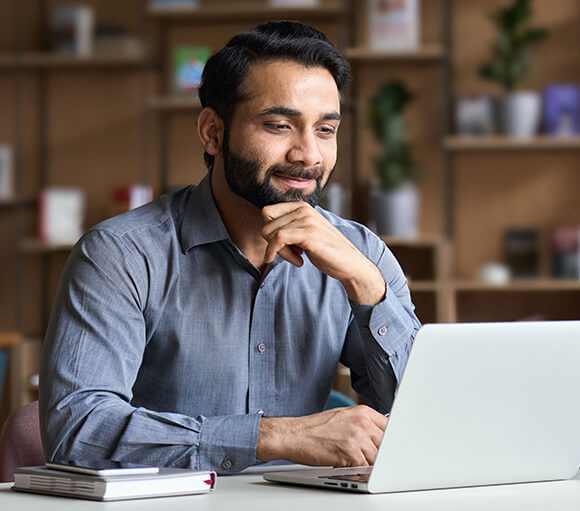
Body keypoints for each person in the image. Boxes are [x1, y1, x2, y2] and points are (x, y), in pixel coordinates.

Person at [39, 21, 420, 473]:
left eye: (325, 130)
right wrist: (273, 436)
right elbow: (76, 431)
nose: (308, 155)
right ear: (212, 132)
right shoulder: (120, 255)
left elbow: (425, 419)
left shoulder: (362, 254)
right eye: (279, 125)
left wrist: (367, 288)